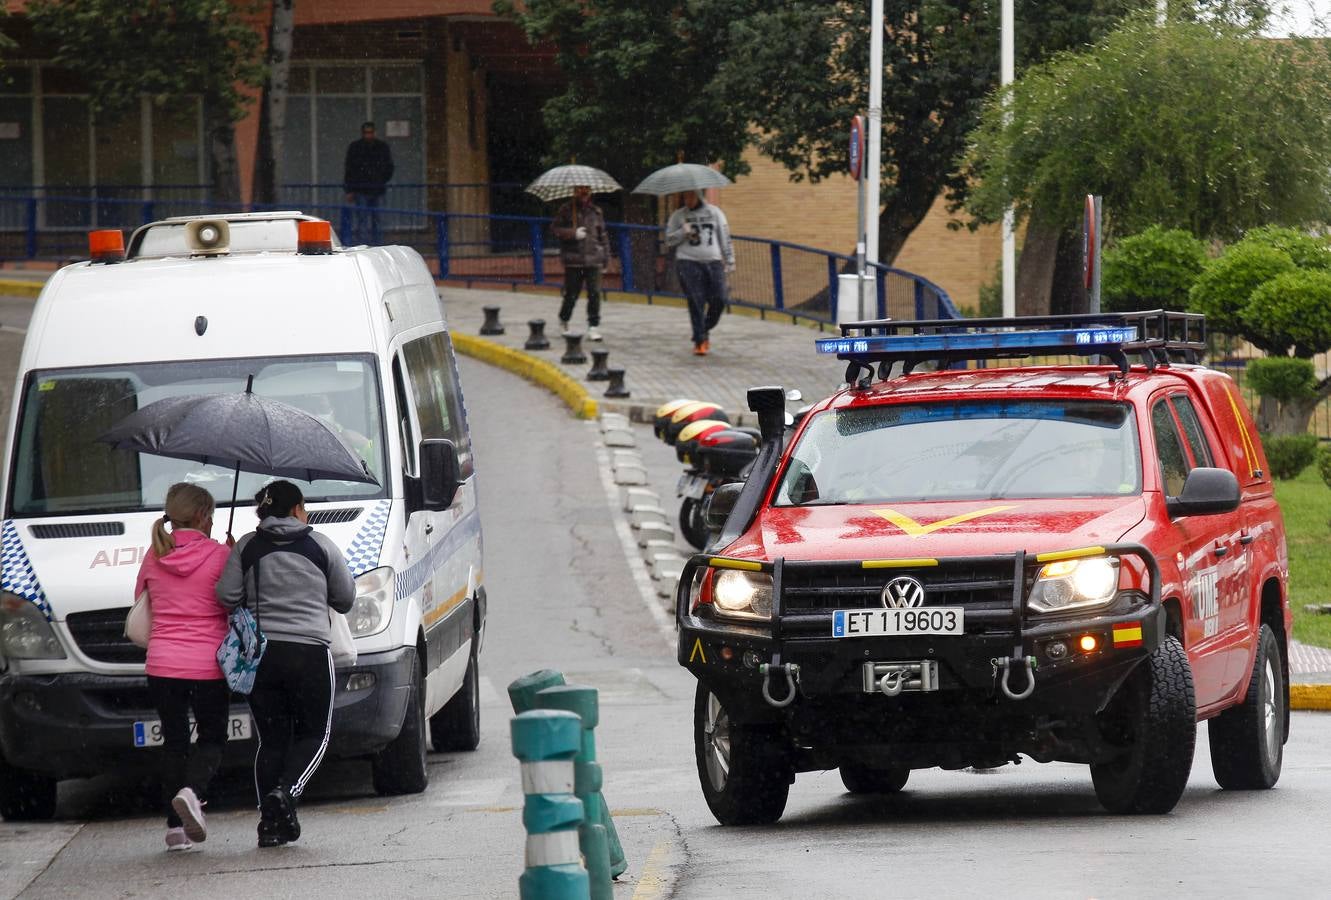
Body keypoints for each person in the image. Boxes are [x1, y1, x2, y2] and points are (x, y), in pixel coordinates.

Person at [216, 480, 356, 848]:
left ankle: (270, 823)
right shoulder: (320, 545)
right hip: (309, 653)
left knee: (273, 740)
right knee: (315, 734)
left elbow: (227, 596)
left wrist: (240, 564)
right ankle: (287, 794)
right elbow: (344, 599)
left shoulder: (247, 545)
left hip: (262, 657)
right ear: (297, 509)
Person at [133, 482, 232, 852]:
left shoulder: (153, 555)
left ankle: (175, 831)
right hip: (207, 665)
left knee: (174, 742)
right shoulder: (219, 555)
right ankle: (193, 793)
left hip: (161, 664)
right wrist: (232, 555)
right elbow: (230, 602)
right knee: (212, 738)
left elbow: (142, 602)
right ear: (204, 516)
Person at [665, 189, 734, 356]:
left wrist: (730, 259)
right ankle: (700, 341)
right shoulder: (678, 216)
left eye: (691, 196)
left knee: (720, 298)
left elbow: (724, 236)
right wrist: (682, 232)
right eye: (685, 196)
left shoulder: (715, 212)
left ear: (699, 195)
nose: (687, 199)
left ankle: (702, 328)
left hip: (713, 261)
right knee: (696, 301)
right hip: (688, 262)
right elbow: (668, 240)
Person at [551, 185, 610, 342]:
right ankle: (564, 319)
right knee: (571, 293)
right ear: (574, 191)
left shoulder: (596, 212)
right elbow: (555, 229)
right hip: (574, 260)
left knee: (594, 293)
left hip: (594, 258)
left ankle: (593, 326)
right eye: (580, 190)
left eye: (587, 190)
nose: (584, 193)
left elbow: (603, 236)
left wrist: (606, 259)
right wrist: (572, 233)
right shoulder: (565, 209)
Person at [342, 121, 395, 245]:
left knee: (377, 219)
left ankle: (377, 244)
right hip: (362, 189)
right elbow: (349, 169)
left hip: (376, 188)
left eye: (370, 132)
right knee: (363, 220)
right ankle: (365, 245)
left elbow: (389, 167)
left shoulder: (381, 147)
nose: (368, 135)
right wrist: (349, 190)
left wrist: (381, 180)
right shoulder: (356, 147)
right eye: (366, 133)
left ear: (374, 133)